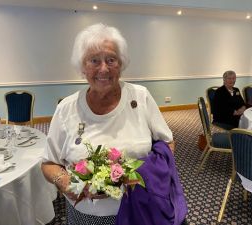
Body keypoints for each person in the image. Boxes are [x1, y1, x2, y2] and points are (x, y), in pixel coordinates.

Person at [41, 24, 186, 225]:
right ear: (82, 67)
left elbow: (167, 145)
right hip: (85, 214)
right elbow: (49, 162)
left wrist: (142, 173)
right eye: (94, 60)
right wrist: (65, 183)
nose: (103, 68)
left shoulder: (140, 97)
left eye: (111, 60)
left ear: (121, 64)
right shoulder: (66, 108)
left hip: (140, 209)